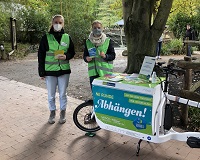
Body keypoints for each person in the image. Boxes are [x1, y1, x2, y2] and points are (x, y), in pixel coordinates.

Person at [38, 15, 76, 124]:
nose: (58, 24)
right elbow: (41, 55)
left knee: (63, 93)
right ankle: (52, 112)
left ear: (63, 24)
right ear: (52, 23)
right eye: (56, 22)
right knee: (51, 95)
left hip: (64, 70)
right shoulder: (46, 37)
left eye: (60, 22)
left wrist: (66, 56)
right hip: (50, 71)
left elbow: (72, 52)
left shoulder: (67, 37)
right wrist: (41, 71)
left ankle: (63, 112)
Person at [83, 20, 116, 91]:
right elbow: (85, 56)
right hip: (93, 73)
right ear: (92, 29)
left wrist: (105, 56)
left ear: (102, 28)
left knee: (106, 93)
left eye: (99, 27)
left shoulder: (108, 41)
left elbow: (113, 55)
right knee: (95, 93)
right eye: (94, 28)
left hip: (105, 73)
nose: (97, 29)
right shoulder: (88, 42)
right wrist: (87, 58)